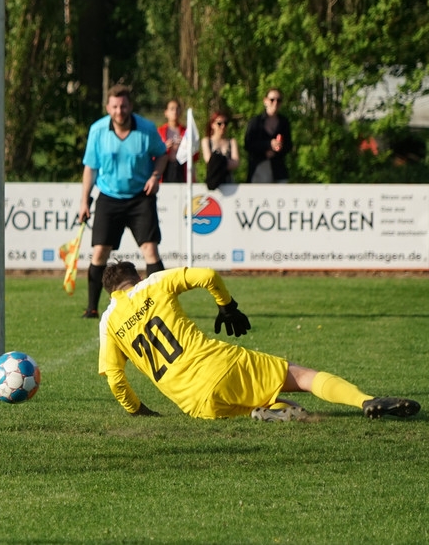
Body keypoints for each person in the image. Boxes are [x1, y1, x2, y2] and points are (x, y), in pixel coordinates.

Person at [97, 261, 421, 421]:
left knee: (277, 406)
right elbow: (207, 276)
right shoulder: (153, 283)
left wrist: (139, 412)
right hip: (218, 365)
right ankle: (366, 400)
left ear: (111, 292)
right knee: (302, 376)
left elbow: (115, 378)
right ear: (136, 277)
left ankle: (271, 414)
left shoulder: (108, 322)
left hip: (195, 404)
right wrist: (227, 306)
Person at [79, 84, 168, 319]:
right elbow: (90, 168)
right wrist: (84, 201)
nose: (120, 111)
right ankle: (92, 308)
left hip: (140, 197)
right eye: (115, 107)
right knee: (100, 252)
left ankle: (161, 304)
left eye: (124, 106)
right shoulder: (98, 130)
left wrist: (155, 176)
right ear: (108, 107)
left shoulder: (147, 129)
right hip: (109, 197)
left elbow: (162, 154)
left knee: (150, 249)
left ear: (130, 106)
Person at [244, 88, 292, 183]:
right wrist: (268, 145)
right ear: (265, 101)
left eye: (279, 100)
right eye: (272, 100)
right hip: (259, 170)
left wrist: (279, 148)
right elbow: (248, 144)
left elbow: (289, 145)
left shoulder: (284, 122)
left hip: (279, 171)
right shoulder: (255, 122)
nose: (275, 103)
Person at [157, 99, 193, 183]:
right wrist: (164, 147)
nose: (175, 112)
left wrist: (184, 146)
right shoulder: (160, 131)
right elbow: (153, 153)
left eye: (177, 109)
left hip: (181, 168)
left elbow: (194, 154)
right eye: (172, 109)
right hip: (165, 168)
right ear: (166, 112)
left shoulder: (186, 131)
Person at [201, 110, 239, 188]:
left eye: (225, 123)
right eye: (219, 123)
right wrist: (225, 162)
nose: (223, 126)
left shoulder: (232, 142)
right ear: (212, 125)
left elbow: (235, 162)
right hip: (213, 180)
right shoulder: (206, 141)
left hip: (229, 182)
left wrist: (219, 162)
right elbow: (209, 160)